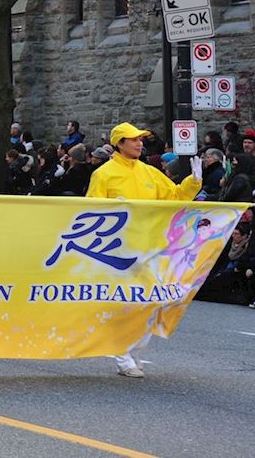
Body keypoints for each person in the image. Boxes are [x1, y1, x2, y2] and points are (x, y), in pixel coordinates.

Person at [85, 122, 202, 379]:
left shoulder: (150, 172)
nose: (139, 143)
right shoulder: (103, 175)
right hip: (118, 252)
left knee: (149, 302)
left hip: (150, 248)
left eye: (140, 139)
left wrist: (193, 182)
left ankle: (132, 349)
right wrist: (110, 211)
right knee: (124, 303)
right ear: (119, 144)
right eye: (133, 139)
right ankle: (123, 355)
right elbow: (91, 212)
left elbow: (175, 197)